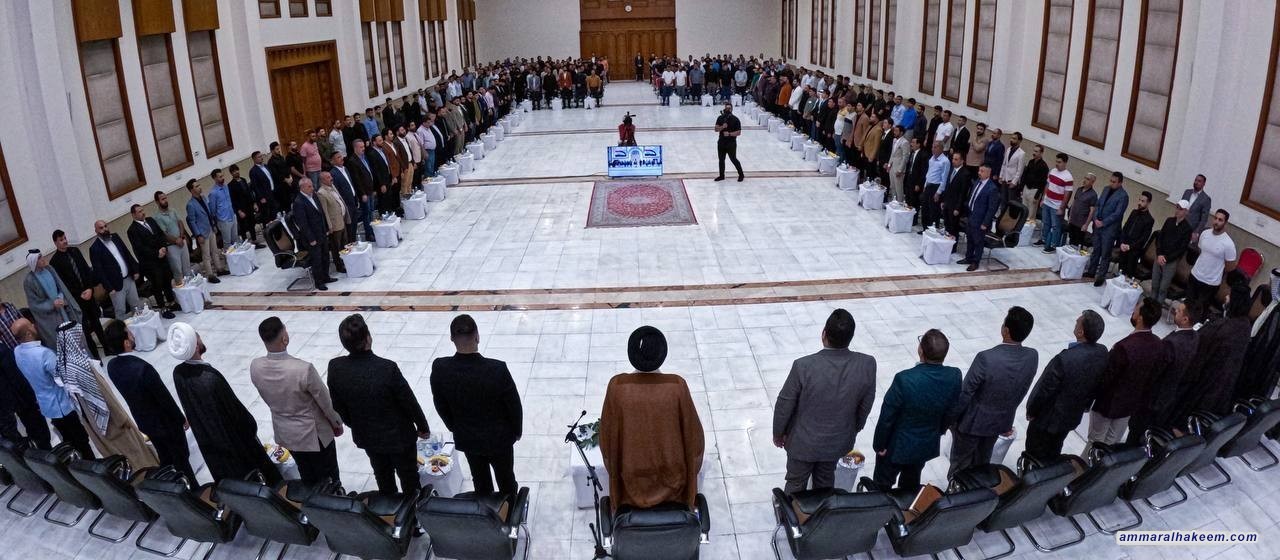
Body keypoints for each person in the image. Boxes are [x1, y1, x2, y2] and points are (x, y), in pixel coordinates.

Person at [772, 310, 875, 493]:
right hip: (838, 441)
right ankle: (821, 510)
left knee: (796, 482)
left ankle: (791, 511)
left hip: (802, 442)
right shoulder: (866, 364)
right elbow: (866, 404)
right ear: (851, 337)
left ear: (824, 334)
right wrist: (853, 429)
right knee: (825, 481)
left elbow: (784, 403)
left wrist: (778, 433)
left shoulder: (803, 366)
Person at [600, 326, 704, 509]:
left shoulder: (617, 387)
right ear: (662, 354)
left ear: (631, 354)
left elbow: (607, 442)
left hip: (630, 484)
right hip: (674, 485)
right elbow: (694, 439)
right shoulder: (676, 386)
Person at [327, 314, 430, 495]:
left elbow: (339, 406)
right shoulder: (387, 368)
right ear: (368, 338)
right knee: (409, 479)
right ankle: (413, 510)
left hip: (368, 437)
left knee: (383, 476)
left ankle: (388, 507)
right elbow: (409, 402)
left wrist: (357, 424)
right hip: (400, 438)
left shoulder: (336, 367)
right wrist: (422, 427)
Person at [168, 322, 280, 484]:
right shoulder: (209, 379)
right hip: (233, 443)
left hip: (209, 443)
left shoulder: (178, 373)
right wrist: (250, 427)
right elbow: (234, 411)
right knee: (256, 476)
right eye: (198, 337)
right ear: (196, 346)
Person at [430, 315, 523, 497]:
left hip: (468, 437)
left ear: (452, 338)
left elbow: (440, 404)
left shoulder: (440, 368)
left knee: (480, 480)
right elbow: (513, 406)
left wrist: (455, 427)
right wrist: (516, 432)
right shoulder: (497, 369)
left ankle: (485, 512)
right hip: (499, 439)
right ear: (477, 337)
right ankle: (510, 508)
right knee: (506, 479)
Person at [250, 317, 344, 487]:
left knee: (306, 473)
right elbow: (325, 402)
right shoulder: (303, 369)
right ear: (284, 339)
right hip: (313, 435)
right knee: (330, 477)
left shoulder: (255, 366)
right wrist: (335, 422)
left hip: (286, 433)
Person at [946, 307, 1038, 476]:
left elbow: (965, 393)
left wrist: (950, 420)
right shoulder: (1032, 356)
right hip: (1000, 422)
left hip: (971, 425)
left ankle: (957, 491)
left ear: (1006, 330)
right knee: (982, 463)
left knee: (959, 467)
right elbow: (1023, 389)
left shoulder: (986, 358)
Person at [102, 320, 194, 480]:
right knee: (181, 461)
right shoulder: (142, 368)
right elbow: (164, 398)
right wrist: (180, 418)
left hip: (145, 422)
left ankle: (168, 484)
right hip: (166, 424)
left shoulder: (112, 366)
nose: (133, 335)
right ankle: (191, 488)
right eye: (129, 333)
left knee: (164, 456)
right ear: (126, 343)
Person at [56, 323, 157, 468]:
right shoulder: (82, 367)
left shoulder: (64, 365)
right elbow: (104, 397)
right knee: (132, 453)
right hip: (111, 422)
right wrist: (122, 418)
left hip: (92, 423)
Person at [871, 329, 960, 490]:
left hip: (896, 447)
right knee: (910, 486)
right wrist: (937, 431)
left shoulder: (904, 379)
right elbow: (952, 411)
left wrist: (880, 445)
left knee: (882, 486)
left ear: (920, 350)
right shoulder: (954, 375)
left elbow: (887, 417)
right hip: (924, 444)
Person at [1023, 311, 1108, 462]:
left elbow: (1045, 390)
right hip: (1070, 418)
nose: (1075, 321)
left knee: (1034, 455)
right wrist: (1086, 405)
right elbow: (1098, 383)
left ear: (1081, 332)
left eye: (1078, 322)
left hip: (1047, 421)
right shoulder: (1102, 352)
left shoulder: (1065, 359)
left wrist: (1032, 410)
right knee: (1054, 451)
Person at [1088, 298, 1165, 452]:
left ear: (1140, 317)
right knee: (1112, 444)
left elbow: (1107, 378)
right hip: (1130, 406)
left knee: (1094, 444)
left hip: (1108, 404)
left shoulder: (1124, 347)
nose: (1133, 310)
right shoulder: (1158, 344)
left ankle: (1086, 468)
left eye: (1136, 308)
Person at [12, 318, 94, 458]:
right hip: (62, 405)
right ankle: (90, 464)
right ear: (28, 334)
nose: (34, 325)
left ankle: (75, 463)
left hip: (46, 404)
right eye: (31, 325)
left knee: (67, 440)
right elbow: (63, 378)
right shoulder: (44, 354)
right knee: (81, 440)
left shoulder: (17, 351)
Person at [1173, 284, 1254, 418]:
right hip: (1223, 388)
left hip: (1205, 384)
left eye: (1229, 296)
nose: (1226, 297)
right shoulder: (1245, 325)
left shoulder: (1222, 328)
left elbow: (1199, 350)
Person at [1128, 301, 1202, 445]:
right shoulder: (1194, 336)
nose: (1175, 311)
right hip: (1168, 395)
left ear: (1185, 319)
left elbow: (1155, 371)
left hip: (1153, 397)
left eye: (1179, 311)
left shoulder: (1171, 344)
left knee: (1136, 432)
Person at [49, 231, 105, 358]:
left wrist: (90, 288)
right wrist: (79, 294)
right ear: (55, 243)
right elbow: (63, 284)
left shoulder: (75, 251)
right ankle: (95, 356)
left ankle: (107, 347)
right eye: (61, 240)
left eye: (65, 238)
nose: (65, 241)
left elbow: (86, 270)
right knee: (85, 329)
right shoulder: (55, 262)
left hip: (89, 294)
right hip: (76, 300)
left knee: (96, 322)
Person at [23, 249, 82, 349]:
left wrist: (60, 297)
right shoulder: (29, 281)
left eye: (41, 256)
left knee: (74, 336)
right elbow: (34, 305)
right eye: (39, 258)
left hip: (63, 309)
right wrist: (52, 304)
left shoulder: (50, 269)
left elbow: (60, 287)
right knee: (63, 343)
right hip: (50, 317)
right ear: (34, 262)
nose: (43, 259)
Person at [127, 204, 178, 314]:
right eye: (139, 211)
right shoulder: (132, 230)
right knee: (157, 285)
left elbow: (160, 234)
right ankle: (162, 308)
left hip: (162, 257)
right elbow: (140, 248)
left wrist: (163, 247)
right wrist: (156, 253)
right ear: (133, 215)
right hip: (150, 263)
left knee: (167, 280)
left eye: (142, 210)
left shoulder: (150, 220)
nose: (143, 213)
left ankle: (171, 302)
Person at [89, 221, 145, 321]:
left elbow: (126, 253)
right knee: (120, 310)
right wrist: (109, 288)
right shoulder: (94, 248)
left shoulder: (115, 237)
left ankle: (141, 324)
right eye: (101, 228)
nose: (105, 229)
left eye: (105, 226)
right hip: (115, 285)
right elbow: (99, 271)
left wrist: (135, 270)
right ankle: (124, 330)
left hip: (128, 278)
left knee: (136, 304)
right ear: (96, 231)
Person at [0, 341, 50, 449]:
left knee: (12, 437)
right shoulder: (2, 351)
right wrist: (31, 395)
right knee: (38, 430)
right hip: (19, 399)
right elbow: (16, 378)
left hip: (10, 405)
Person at [1085, 172, 1130, 286]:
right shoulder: (1106, 189)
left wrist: (1103, 223)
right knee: (1096, 249)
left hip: (1109, 229)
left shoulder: (1123, 196)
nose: (1111, 183)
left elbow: (1117, 214)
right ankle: (1091, 271)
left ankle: (1101, 277)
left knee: (1105, 253)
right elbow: (1098, 205)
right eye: (1111, 181)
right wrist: (1095, 218)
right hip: (1098, 225)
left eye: (1114, 182)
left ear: (1120, 183)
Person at [291, 178, 336, 291]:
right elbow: (303, 224)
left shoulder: (314, 196)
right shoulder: (298, 202)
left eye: (312, 185)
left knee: (325, 256)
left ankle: (326, 277)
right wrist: (311, 238)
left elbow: (321, 213)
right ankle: (319, 282)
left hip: (321, 232)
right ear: (302, 188)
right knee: (317, 260)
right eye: (309, 186)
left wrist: (326, 228)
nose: (312, 188)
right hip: (312, 237)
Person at [1187, 209, 1237, 309]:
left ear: (1225, 223)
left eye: (1220, 220)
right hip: (1195, 276)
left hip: (1210, 283)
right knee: (1187, 306)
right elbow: (1201, 251)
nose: (1216, 222)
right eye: (1215, 218)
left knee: (1199, 311)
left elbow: (1230, 267)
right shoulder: (1205, 233)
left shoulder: (1228, 244)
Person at [1149, 200, 1194, 304]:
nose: (1177, 210)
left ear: (1186, 212)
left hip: (1170, 261)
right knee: (1155, 284)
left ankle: (1157, 306)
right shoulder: (1169, 221)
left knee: (1163, 288)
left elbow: (1181, 249)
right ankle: (1150, 303)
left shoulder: (1187, 229)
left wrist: (1167, 258)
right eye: (1177, 207)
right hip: (1159, 256)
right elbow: (1160, 237)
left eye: (1181, 209)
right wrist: (1159, 254)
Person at [957, 164, 1001, 271]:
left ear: (988, 173)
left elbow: (992, 209)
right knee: (970, 239)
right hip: (971, 215)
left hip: (980, 220)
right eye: (979, 170)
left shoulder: (992, 188)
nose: (979, 173)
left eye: (982, 171)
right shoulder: (977, 182)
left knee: (978, 242)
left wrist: (985, 223)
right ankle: (968, 258)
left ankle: (975, 262)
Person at [184, 181, 226, 282]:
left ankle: (219, 269)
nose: (199, 187)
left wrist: (213, 225)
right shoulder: (190, 205)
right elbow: (192, 221)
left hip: (210, 228)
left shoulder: (203, 197)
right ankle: (210, 275)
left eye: (199, 185)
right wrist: (198, 235)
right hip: (202, 232)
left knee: (215, 251)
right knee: (206, 255)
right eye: (196, 186)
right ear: (191, 190)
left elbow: (208, 213)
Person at [151, 192, 195, 283]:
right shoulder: (157, 217)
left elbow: (180, 222)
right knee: (177, 270)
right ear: (157, 202)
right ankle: (182, 289)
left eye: (166, 198)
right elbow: (164, 233)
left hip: (182, 242)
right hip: (172, 247)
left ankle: (191, 287)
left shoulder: (173, 210)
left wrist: (181, 236)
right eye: (163, 199)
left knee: (187, 267)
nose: (165, 200)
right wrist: (176, 240)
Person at [316, 171, 351, 275]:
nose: (331, 178)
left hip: (341, 220)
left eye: (330, 176)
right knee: (336, 247)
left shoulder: (332, 186)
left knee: (344, 243)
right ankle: (339, 266)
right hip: (334, 225)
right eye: (328, 177)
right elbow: (325, 212)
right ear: (322, 180)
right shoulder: (321, 193)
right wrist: (329, 226)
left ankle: (347, 261)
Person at [1115, 191, 1155, 278]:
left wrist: (1130, 247)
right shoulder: (1134, 212)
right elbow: (1125, 228)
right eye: (1139, 200)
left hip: (1133, 251)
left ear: (1148, 203)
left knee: (1128, 276)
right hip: (1124, 246)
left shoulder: (1149, 220)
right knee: (1120, 272)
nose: (1139, 203)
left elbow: (1144, 238)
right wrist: (1122, 242)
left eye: (1143, 201)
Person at [940, 151, 971, 240]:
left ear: (962, 161)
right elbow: (947, 186)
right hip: (947, 202)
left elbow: (963, 193)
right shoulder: (951, 170)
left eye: (956, 159)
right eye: (953, 159)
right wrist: (943, 200)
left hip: (955, 205)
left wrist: (958, 208)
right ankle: (946, 242)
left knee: (953, 227)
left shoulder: (965, 174)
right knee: (947, 224)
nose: (953, 161)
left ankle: (953, 245)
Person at [206, 168, 238, 249]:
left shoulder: (226, 187)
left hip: (232, 216)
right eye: (220, 177)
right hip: (224, 220)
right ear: (215, 178)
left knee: (235, 239)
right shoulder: (213, 193)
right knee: (227, 242)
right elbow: (213, 210)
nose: (223, 178)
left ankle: (238, 256)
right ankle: (229, 256)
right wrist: (217, 221)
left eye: (222, 176)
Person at [921, 141, 950, 230]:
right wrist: (925, 185)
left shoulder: (945, 161)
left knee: (933, 210)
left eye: (935, 147)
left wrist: (938, 192)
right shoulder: (932, 158)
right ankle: (925, 229)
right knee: (925, 208)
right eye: (932, 147)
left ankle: (932, 230)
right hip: (928, 185)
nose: (933, 149)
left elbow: (944, 178)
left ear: (941, 149)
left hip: (936, 187)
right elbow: (929, 172)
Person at [1064, 173, 1097, 248]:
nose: (1085, 180)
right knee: (1071, 240)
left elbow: (1092, 211)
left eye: (1088, 179)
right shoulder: (1079, 189)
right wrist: (1070, 216)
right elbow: (1074, 203)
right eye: (1085, 178)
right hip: (1073, 220)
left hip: (1081, 224)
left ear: (1092, 182)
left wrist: (1086, 225)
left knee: (1077, 244)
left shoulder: (1093, 195)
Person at [714, 103, 745, 182]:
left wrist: (730, 134)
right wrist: (722, 127)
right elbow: (716, 129)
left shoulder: (735, 119)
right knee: (721, 160)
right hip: (721, 142)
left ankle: (741, 174)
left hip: (731, 143)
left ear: (732, 109)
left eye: (729, 108)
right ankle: (721, 176)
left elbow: (739, 132)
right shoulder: (720, 118)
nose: (728, 110)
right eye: (726, 108)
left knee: (733, 159)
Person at [1022, 145, 1049, 228]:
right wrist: (1022, 187)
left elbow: (1043, 183)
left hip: (1034, 190)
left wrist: (1037, 196)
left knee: (1031, 213)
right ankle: (1021, 227)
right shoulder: (1031, 162)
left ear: (1041, 153)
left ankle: (1028, 230)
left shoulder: (1044, 166)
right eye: (1034, 151)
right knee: (1023, 209)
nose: (1034, 153)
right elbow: (1025, 175)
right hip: (1026, 188)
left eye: (1036, 151)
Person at [1181, 174, 1212, 243]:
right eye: (1195, 180)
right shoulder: (1187, 192)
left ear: (1203, 184)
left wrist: (1196, 232)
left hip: (1190, 229)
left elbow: (1204, 219)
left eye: (1199, 181)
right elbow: (1180, 208)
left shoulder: (1206, 199)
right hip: (1180, 223)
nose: (1196, 182)